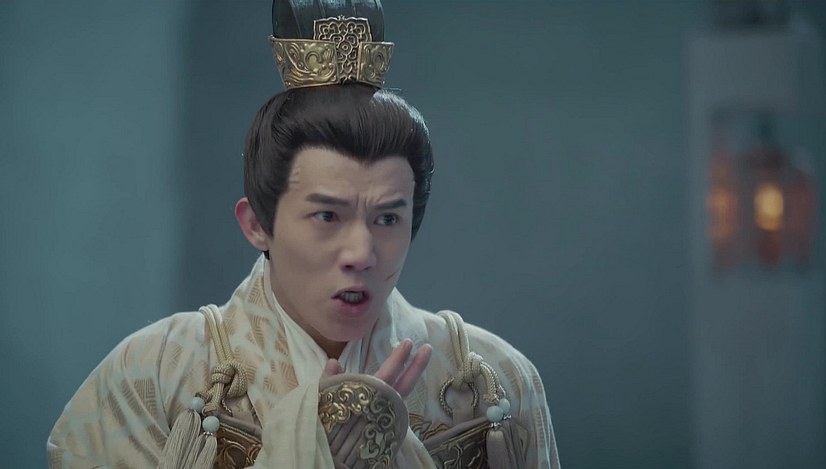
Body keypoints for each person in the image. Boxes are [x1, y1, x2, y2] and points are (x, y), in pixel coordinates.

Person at [47, 1, 560, 467]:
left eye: (387, 219)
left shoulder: (490, 379)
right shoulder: (152, 374)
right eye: (327, 217)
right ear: (257, 224)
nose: (361, 253)